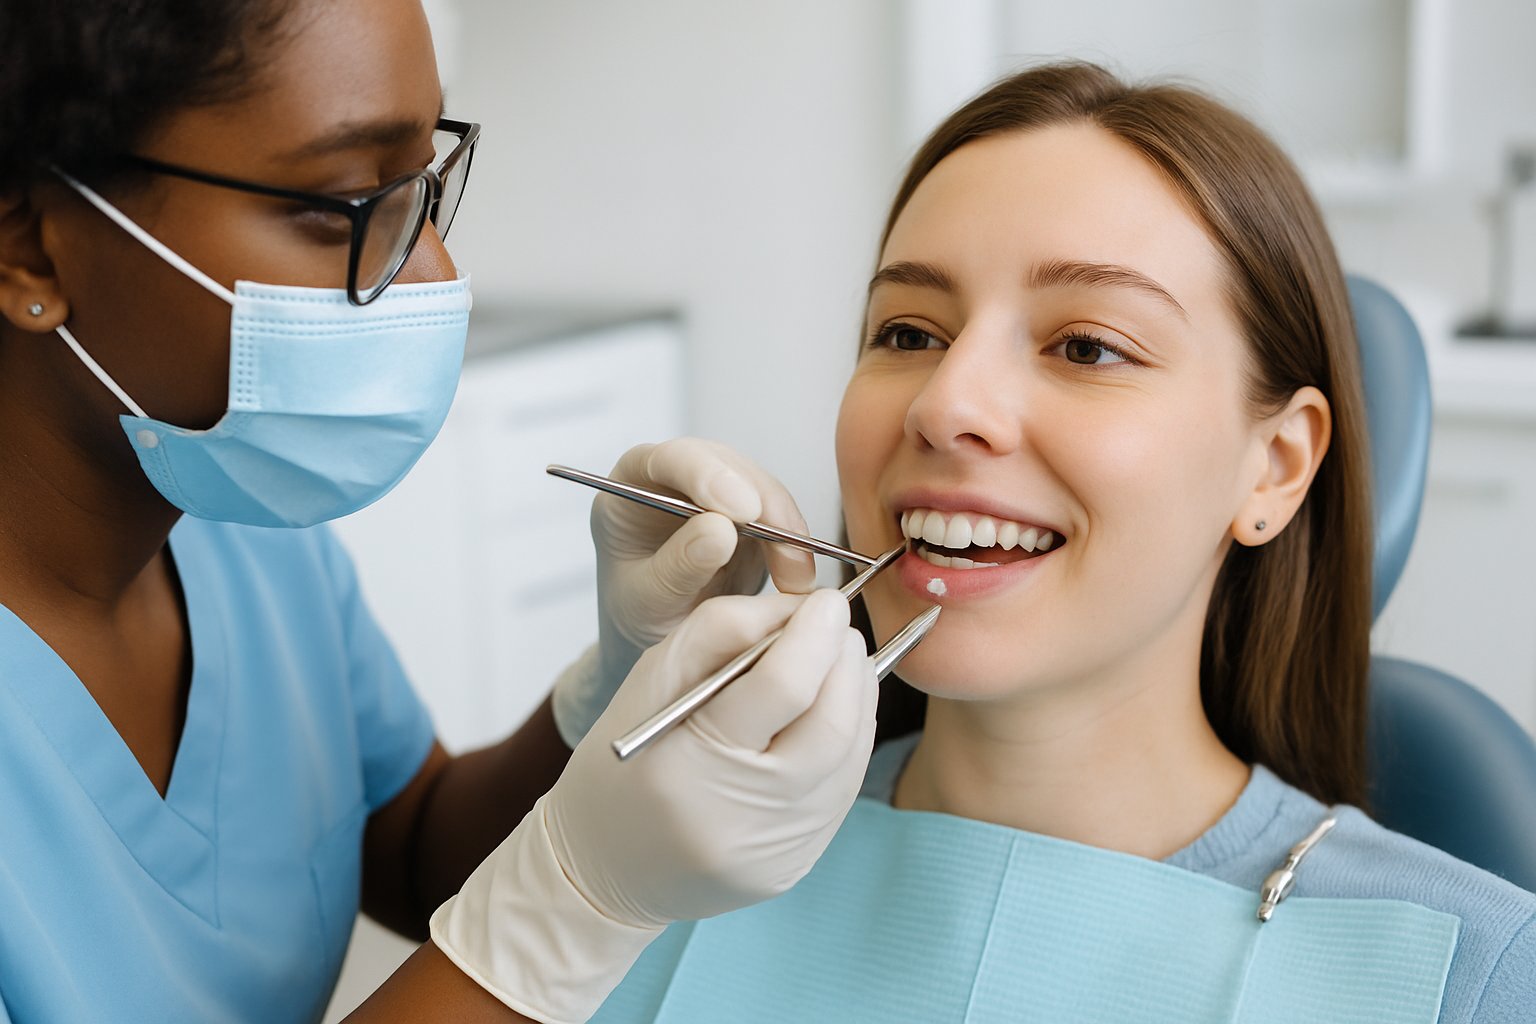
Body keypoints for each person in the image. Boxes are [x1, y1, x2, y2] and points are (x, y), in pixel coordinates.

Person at [587, 62, 1536, 1022]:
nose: (943, 403)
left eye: (1086, 347)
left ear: (1277, 466)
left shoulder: (1480, 976)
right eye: (910, 333)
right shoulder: (655, 853)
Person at [0, 2, 878, 1022]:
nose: (435, 273)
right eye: (343, 203)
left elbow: (413, 843)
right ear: (31, 246)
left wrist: (615, 687)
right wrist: (569, 910)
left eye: (422, 185)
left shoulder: (238, 522)